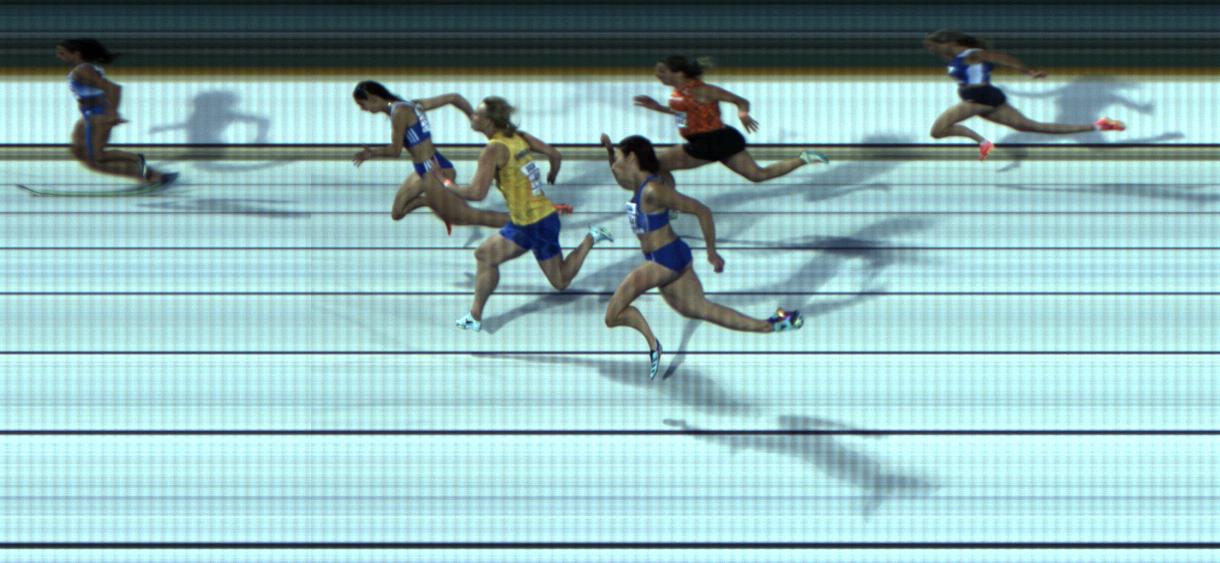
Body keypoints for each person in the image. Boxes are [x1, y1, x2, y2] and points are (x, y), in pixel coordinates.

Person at [601, 134, 803, 380]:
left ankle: (654, 345)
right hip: (671, 256)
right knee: (703, 310)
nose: (614, 165)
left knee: (612, 315)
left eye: (618, 158)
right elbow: (621, 177)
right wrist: (610, 151)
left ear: (632, 158)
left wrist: (711, 252)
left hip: (664, 260)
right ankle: (772, 324)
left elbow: (702, 211)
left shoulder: (653, 191)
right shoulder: (641, 186)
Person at [448, 97, 612, 332]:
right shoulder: (518, 137)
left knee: (560, 281)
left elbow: (476, 193)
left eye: (477, 114)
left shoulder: (493, 149)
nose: (471, 116)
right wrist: (552, 175)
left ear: (489, 121)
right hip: (527, 221)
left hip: (536, 224)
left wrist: (447, 185)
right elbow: (555, 155)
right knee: (484, 255)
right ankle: (475, 316)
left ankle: (591, 237)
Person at [922, 29, 1126, 160]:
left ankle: (983, 142)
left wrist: (1029, 72)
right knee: (1031, 126)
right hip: (984, 96)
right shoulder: (956, 57)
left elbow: (1004, 58)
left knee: (938, 130)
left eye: (933, 47)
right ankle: (1099, 125)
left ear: (948, 42)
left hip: (980, 98)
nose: (931, 51)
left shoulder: (972, 54)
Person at [632, 55, 828, 182]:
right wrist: (658, 107)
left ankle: (669, 204)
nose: (657, 75)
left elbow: (740, 101)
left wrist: (743, 114)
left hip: (712, 141)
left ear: (679, 73)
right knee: (757, 175)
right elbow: (684, 112)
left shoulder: (702, 90)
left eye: (662, 71)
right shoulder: (678, 92)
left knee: (653, 165)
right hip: (712, 142)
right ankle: (803, 158)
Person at [352, 81, 513, 233]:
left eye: (362, 104)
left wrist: (371, 153)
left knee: (469, 217)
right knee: (397, 213)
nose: (362, 109)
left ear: (373, 98)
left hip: (435, 170)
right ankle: (434, 203)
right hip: (422, 170)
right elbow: (453, 98)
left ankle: (518, 222)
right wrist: (472, 116)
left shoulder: (399, 112)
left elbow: (395, 151)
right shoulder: (411, 105)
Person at [56, 38, 175, 185]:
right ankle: (146, 171)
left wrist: (111, 114)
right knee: (86, 153)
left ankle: (144, 168)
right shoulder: (82, 69)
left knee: (97, 157)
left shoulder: (83, 70)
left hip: (98, 115)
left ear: (76, 54)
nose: (59, 56)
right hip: (90, 115)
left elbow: (114, 88)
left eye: (62, 53)